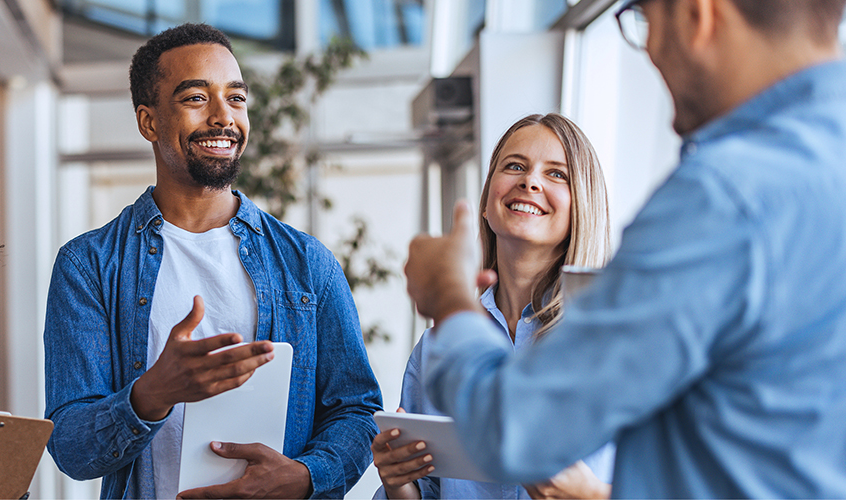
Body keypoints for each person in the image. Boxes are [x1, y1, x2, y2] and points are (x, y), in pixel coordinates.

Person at [403, 0, 846, 497]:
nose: (650, 52)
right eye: (514, 167)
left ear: (699, 16)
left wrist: (447, 296)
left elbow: (518, 433)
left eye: (647, 23)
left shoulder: (726, 195)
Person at [44, 23, 383, 499]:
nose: (224, 117)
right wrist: (152, 394)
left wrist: (305, 477)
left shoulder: (309, 264)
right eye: (196, 98)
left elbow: (357, 410)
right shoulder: (88, 266)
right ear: (149, 121)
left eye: (236, 98)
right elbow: (70, 447)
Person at [373, 114, 615, 499]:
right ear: (487, 201)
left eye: (557, 174)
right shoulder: (440, 345)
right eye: (515, 166)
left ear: (581, 206)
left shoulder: (616, 339)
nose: (529, 181)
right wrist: (397, 479)